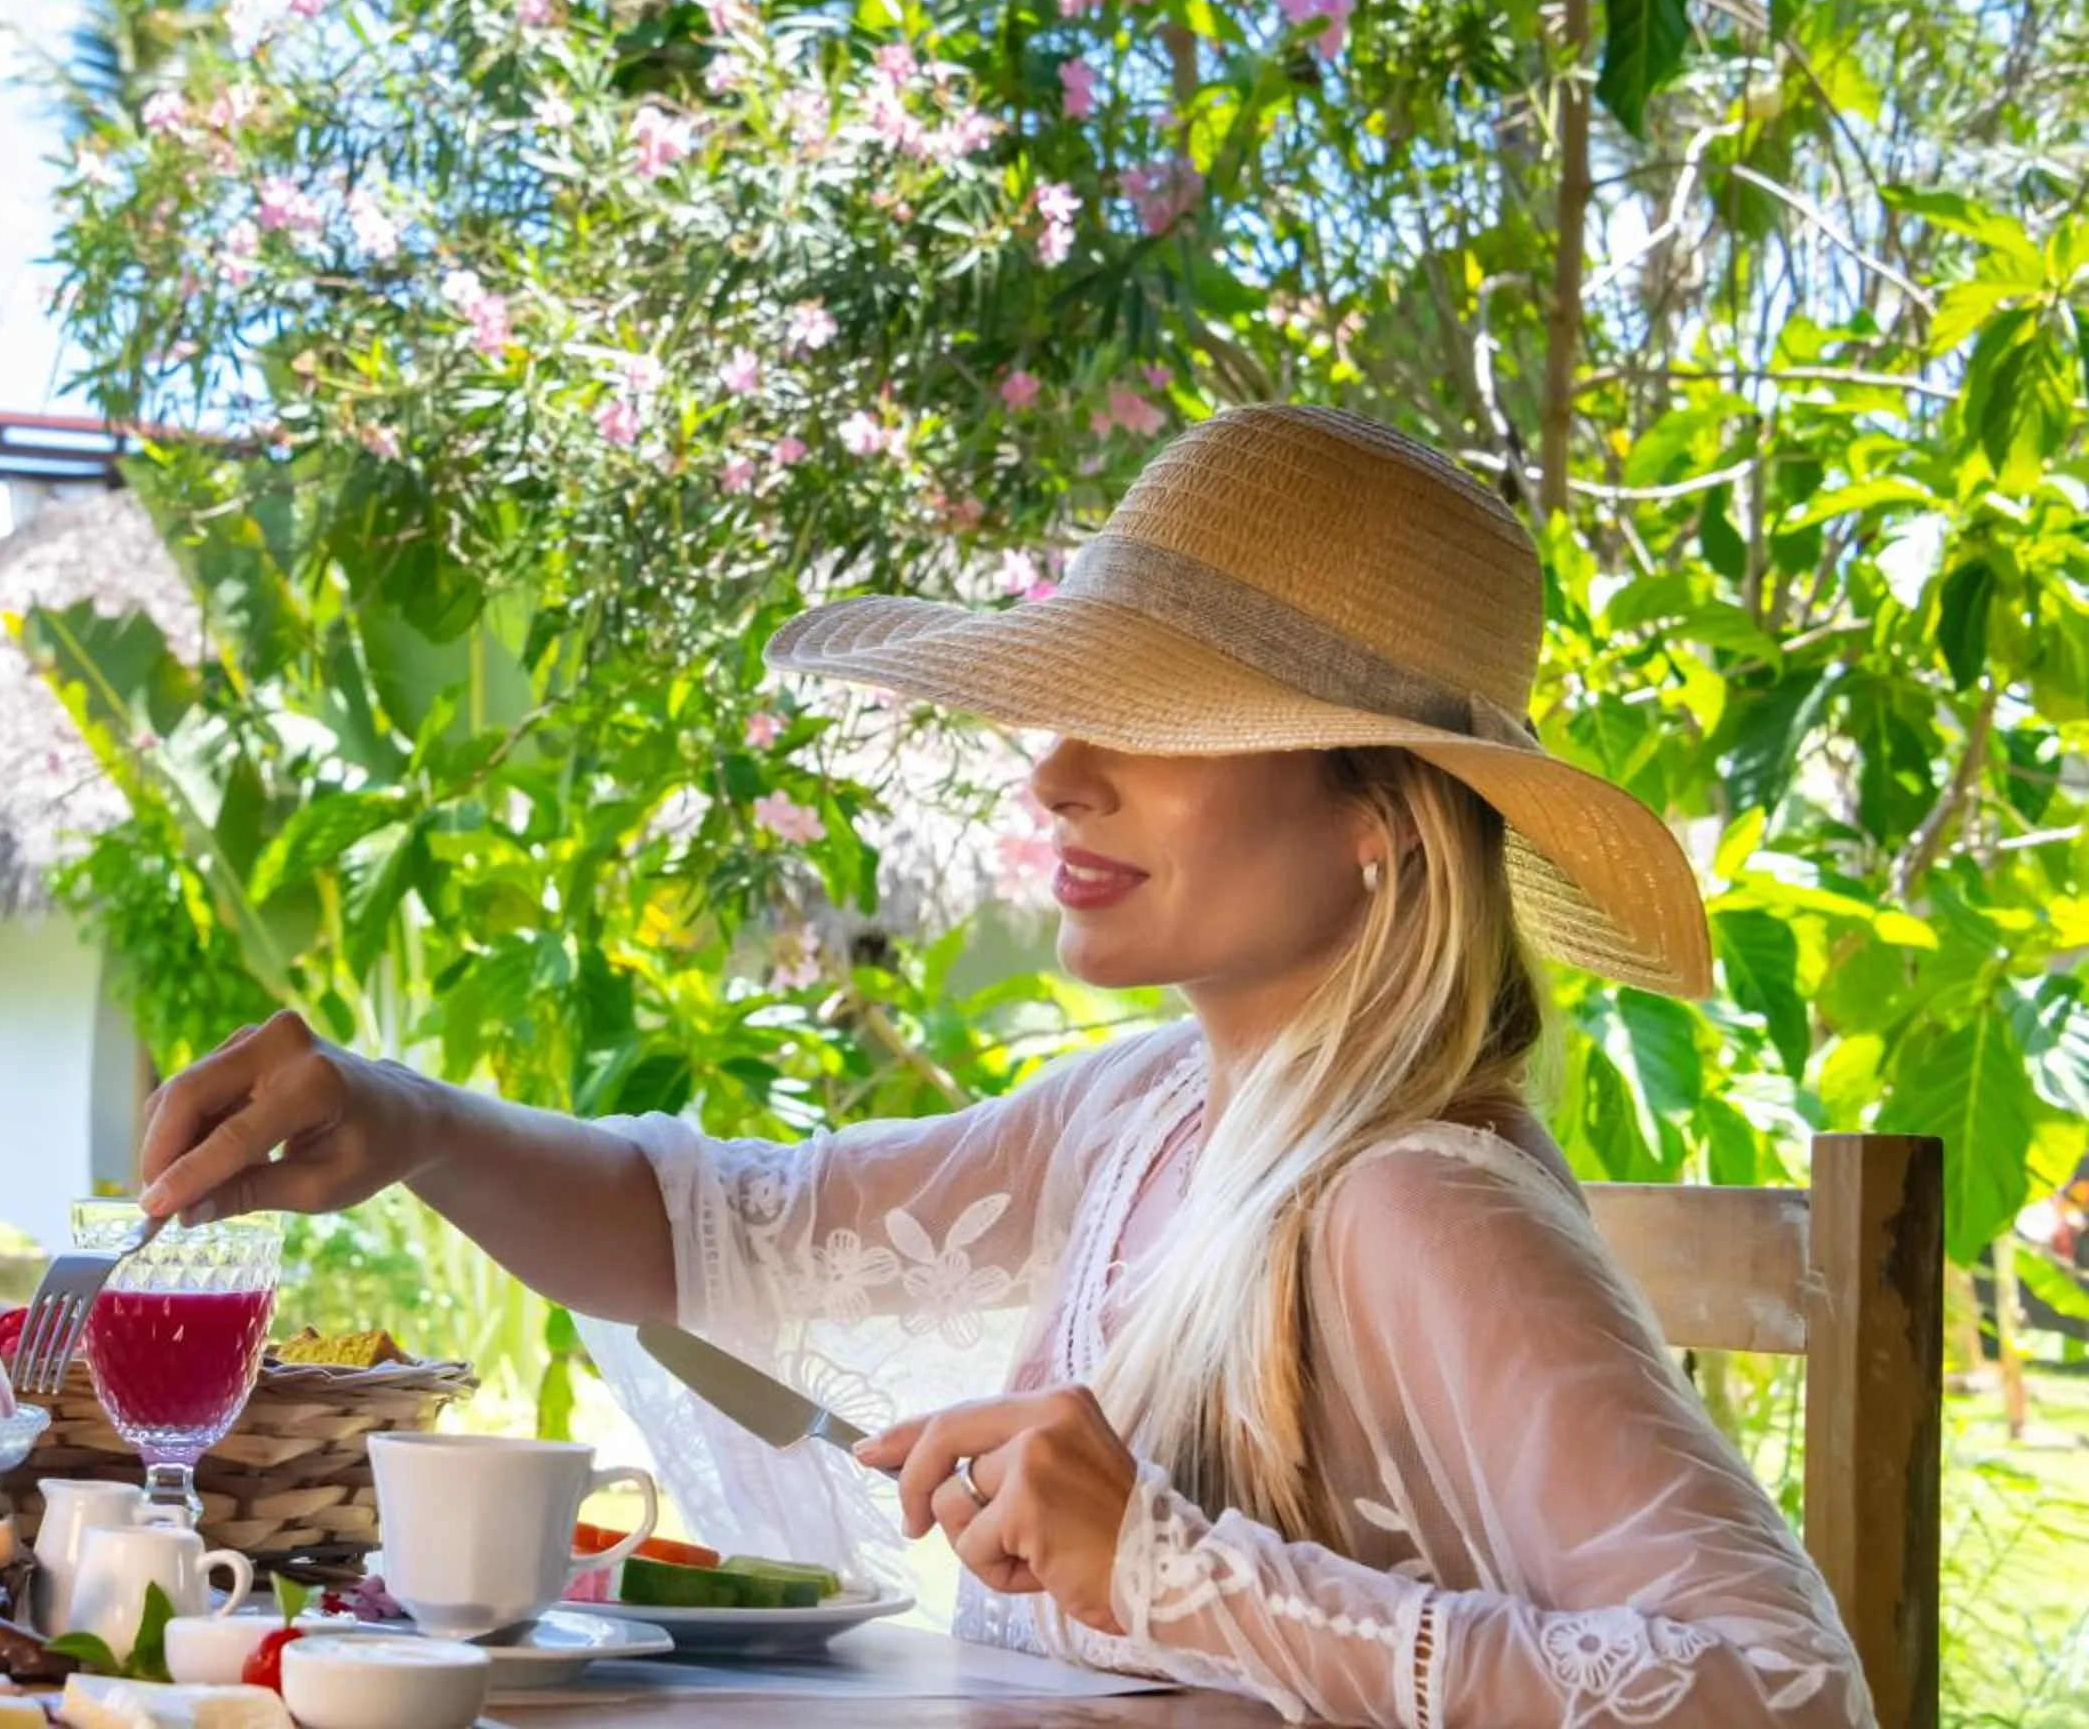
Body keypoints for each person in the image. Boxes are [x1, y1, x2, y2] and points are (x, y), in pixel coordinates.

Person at [136, 405, 1871, 1727]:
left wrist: (1170, 1568)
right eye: (1066, 707)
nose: (1053, 776)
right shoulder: (1151, 1112)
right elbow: (715, 1233)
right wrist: (399, 1118)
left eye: (1159, 719)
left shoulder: (1411, 1202)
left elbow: (1777, 1690)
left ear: (1382, 819)